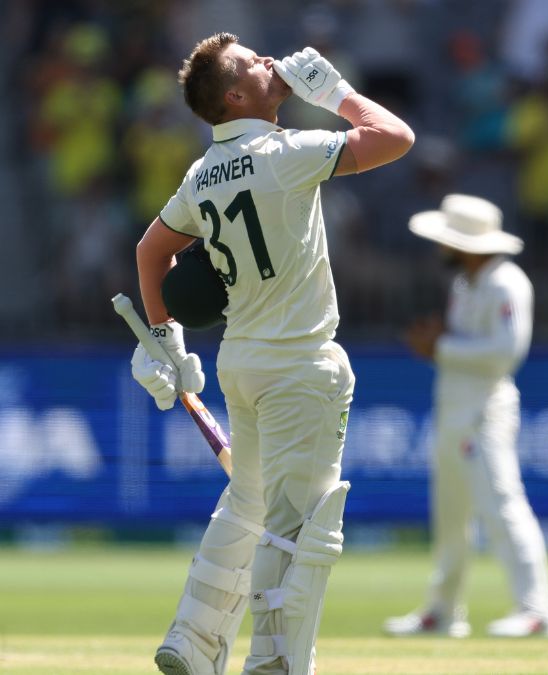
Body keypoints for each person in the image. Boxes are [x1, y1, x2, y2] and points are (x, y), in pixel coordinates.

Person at [129, 34, 413, 675]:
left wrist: (164, 337)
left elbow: (152, 253)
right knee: (301, 526)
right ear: (235, 95)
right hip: (300, 364)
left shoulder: (201, 173)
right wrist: (336, 93)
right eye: (253, 63)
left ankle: (195, 640)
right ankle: (275, 665)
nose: (270, 62)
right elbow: (397, 138)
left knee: (248, 503)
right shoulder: (286, 153)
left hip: (243, 361)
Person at [382, 194, 548, 640]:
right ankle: (444, 611)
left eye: (446, 240)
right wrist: (441, 344)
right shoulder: (465, 283)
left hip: (485, 413)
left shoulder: (507, 283)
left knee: (502, 507)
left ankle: (538, 611)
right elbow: (470, 345)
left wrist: (439, 348)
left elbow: (507, 352)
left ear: (465, 243)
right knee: (450, 517)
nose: (439, 248)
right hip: (453, 409)